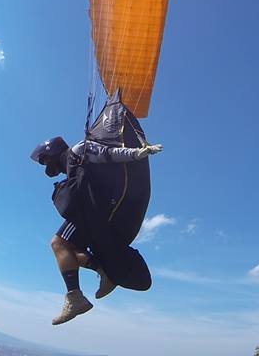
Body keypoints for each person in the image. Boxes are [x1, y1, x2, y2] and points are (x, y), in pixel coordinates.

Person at [31, 135, 163, 325]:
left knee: (58, 243)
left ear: (52, 151)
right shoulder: (71, 166)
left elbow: (107, 153)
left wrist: (136, 154)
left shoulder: (77, 150)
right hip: (94, 212)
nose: (45, 166)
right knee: (70, 251)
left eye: (44, 160)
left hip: (94, 211)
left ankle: (75, 298)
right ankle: (104, 274)